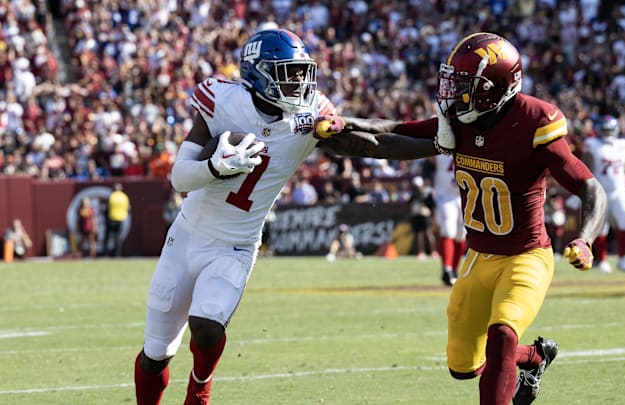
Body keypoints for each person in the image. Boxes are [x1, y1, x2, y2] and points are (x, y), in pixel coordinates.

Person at [133, 28, 431, 405]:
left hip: (237, 245)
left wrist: (435, 143)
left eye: (301, 72)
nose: (300, 83)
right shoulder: (221, 100)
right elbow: (179, 177)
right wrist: (215, 166)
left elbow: (374, 140)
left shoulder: (310, 115)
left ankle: (200, 388)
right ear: (258, 74)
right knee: (155, 353)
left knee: (207, 326)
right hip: (188, 235)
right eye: (288, 73)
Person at [332, 32, 607, 405]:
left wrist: (584, 238)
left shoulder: (534, 122)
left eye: (465, 86)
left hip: (526, 257)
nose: (453, 94)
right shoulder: (461, 120)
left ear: (496, 88)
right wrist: (339, 124)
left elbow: (591, 188)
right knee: (462, 365)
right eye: (454, 83)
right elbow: (393, 132)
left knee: (502, 335)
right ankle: (536, 356)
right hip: (477, 258)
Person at [581, 115, 625, 273]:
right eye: (604, 130)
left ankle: (623, 258)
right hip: (601, 191)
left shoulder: (623, 145)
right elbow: (586, 166)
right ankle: (603, 260)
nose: (607, 133)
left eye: (609, 130)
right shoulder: (592, 145)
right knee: (601, 228)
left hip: (620, 190)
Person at [431, 154, 466, 286]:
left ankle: (455, 269)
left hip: (464, 194)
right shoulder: (439, 150)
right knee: (448, 231)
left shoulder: (466, 144)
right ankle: (446, 269)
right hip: (445, 195)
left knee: (461, 235)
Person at [408, 175, 438, 260]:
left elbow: (432, 205)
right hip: (417, 215)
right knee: (419, 235)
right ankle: (421, 252)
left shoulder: (427, 193)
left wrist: (433, 216)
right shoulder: (413, 194)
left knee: (428, 233)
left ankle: (434, 251)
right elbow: (409, 203)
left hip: (425, 215)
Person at [104, 183, 130, 256]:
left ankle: (105, 254)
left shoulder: (111, 196)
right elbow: (128, 208)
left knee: (107, 237)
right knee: (118, 238)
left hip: (111, 219)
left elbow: (106, 208)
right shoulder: (124, 197)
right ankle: (117, 254)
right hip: (121, 219)